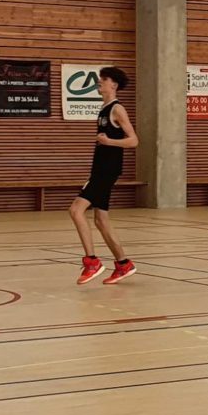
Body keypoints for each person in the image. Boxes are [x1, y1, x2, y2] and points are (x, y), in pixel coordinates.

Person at [70, 67, 139, 285]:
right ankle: (123, 264)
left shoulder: (117, 109)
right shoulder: (104, 108)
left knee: (76, 210)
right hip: (100, 168)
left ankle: (92, 262)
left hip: (107, 169)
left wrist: (109, 142)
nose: (99, 82)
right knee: (101, 220)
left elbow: (134, 140)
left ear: (114, 85)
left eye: (104, 79)